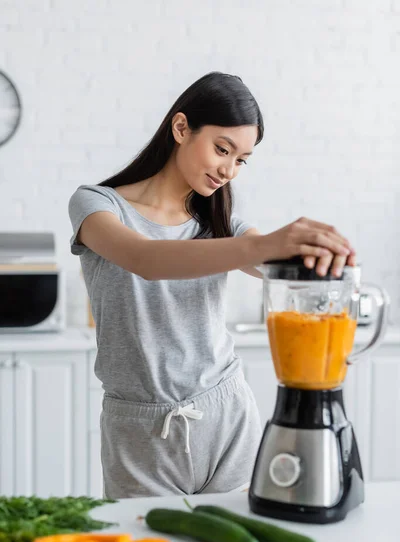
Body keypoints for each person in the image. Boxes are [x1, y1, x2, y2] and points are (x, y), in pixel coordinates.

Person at [68, 72, 356, 499]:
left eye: (241, 159)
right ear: (181, 128)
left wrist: (315, 258)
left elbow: (271, 263)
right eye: (223, 149)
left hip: (227, 414)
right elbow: (146, 260)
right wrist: (261, 244)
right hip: (140, 431)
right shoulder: (97, 205)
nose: (229, 170)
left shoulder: (224, 227)